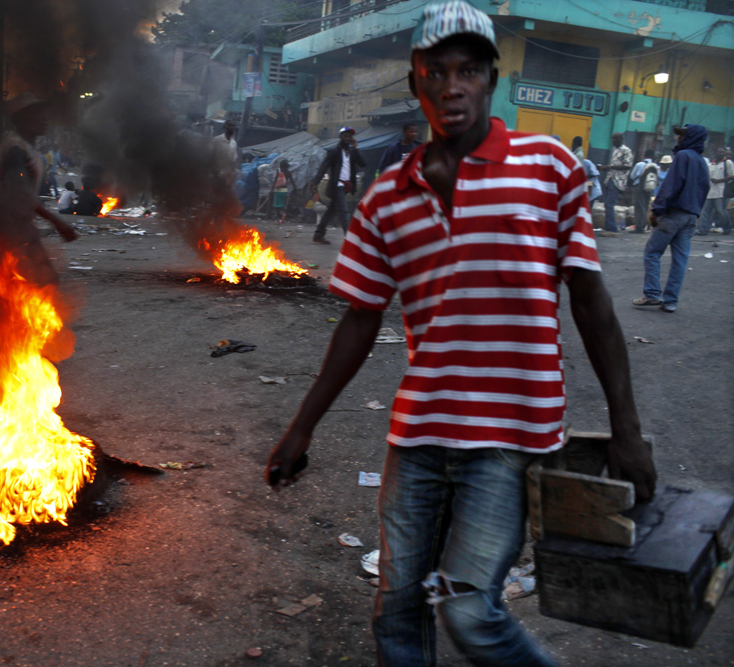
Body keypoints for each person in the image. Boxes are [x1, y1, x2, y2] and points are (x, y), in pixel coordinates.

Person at [265, 2, 657, 665]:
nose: (453, 87)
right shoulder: (386, 197)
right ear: (417, 82)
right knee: (396, 609)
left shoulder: (548, 167)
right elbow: (361, 318)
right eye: (437, 72)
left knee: (472, 610)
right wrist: (303, 425)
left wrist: (626, 427)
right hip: (418, 435)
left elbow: (591, 302)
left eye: (468, 71)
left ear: (491, 78)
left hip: (510, 437)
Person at [0, 92, 78, 286]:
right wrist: (57, 222)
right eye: (38, 115)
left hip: (20, 225)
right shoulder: (16, 148)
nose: (45, 119)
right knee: (41, 280)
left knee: (33, 281)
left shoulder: (26, 147)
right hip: (10, 227)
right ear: (23, 119)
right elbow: (20, 193)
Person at [632, 125, 710, 313]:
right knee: (680, 260)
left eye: (683, 135)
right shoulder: (701, 161)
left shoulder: (683, 157)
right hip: (690, 217)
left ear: (691, 137)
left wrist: (656, 210)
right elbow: (705, 187)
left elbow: (671, 185)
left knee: (652, 252)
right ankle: (670, 302)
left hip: (673, 214)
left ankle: (652, 295)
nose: (678, 139)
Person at [311, 126, 365, 244]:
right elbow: (323, 167)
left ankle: (318, 234)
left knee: (331, 210)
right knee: (344, 211)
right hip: (337, 185)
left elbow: (363, 164)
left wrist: (356, 148)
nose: (348, 138)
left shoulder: (352, 152)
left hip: (346, 186)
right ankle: (350, 239)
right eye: (345, 135)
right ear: (341, 137)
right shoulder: (334, 151)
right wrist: (316, 182)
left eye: (350, 136)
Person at [598, 132, 633, 234]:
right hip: (610, 179)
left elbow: (628, 165)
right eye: (612, 139)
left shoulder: (626, 151)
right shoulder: (615, 150)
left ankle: (612, 229)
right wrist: (605, 168)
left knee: (609, 204)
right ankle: (609, 227)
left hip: (618, 181)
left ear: (621, 139)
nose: (613, 141)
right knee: (607, 204)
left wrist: (609, 167)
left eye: (615, 139)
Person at [699, 147, 732, 235]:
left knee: (721, 211)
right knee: (705, 212)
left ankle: (728, 227)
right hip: (710, 192)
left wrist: (719, 180)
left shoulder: (727, 163)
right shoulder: (711, 165)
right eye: (720, 152)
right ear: (716, 153)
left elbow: (732, 176)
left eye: (723, 153)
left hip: (721, 192)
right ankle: (703, 230)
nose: (722, 154)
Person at [630, 149, 658, 234]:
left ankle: (639, 227)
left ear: (645, 155)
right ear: (653, 156)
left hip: (639, 187)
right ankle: (643, 225)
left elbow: (632, 176)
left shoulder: (639, 164)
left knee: (639, 207)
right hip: (649, 188)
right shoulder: (655, 166)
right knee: (645, 207)